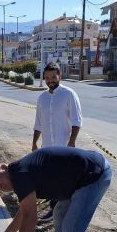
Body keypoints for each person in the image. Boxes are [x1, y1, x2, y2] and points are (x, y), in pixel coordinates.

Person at [32, 63, 83, 223]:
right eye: (47, 78)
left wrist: (72, 142)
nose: (50, 80)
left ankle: (59, 211)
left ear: (59, 76)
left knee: (63, 180)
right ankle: (54, 209)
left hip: (64, 147)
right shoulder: (42, 98)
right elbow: (38, 123)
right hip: (47, 148)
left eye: (53, 77)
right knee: (51, 179)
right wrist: (34, 143)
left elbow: (77, 121)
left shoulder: (69, 94)